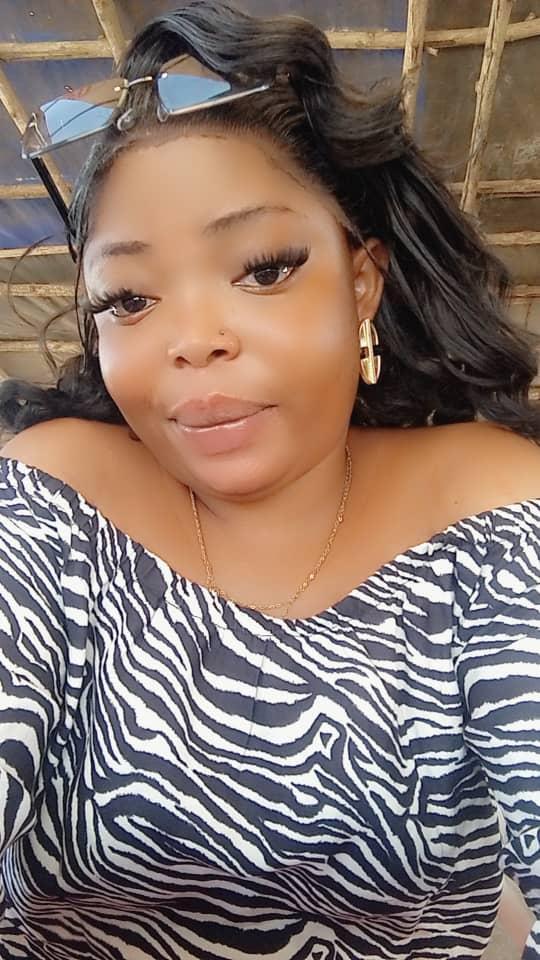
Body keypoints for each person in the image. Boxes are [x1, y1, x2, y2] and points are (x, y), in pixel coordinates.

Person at [0, 2, 539, 957]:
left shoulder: (493, 512)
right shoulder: (54, 499)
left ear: (362, 281)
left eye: (261, 269)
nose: (193, 338)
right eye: (129, 297)